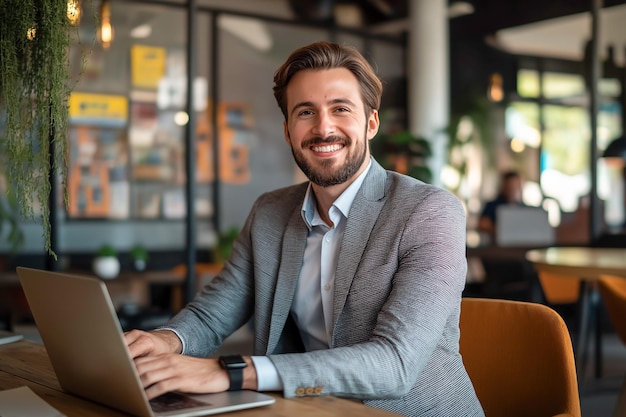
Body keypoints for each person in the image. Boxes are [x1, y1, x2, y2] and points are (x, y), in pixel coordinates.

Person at [125, 41, 484, 417]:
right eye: (305, 112)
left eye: (340, 109)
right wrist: (164, 342)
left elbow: (395, 363)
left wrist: (232, 373)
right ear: (287, 130)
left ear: (371, 122)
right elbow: (213, 314)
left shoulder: (428, 211)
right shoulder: (270, 212)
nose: (323, 128)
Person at [478, 170, 524, 237]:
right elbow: (483, 224)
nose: (513, 189)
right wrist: (500, 229)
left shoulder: (524, 208)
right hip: (496, 245)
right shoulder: (492, 206)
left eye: (516, 186)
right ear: (504, 186)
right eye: (510, 186)